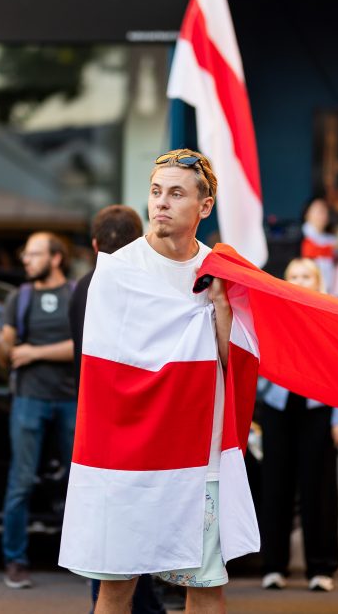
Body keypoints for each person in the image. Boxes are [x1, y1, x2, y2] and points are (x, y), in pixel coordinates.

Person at [68, 149, 235, 614]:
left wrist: (221, 305)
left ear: (204, 206)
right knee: (117, 590)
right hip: (130, 460)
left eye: (176, 193)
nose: (160, 202)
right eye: (156, 192)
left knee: (205, 589)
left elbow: (234, 365)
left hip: (200, 455)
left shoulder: (222, 272)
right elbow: (105, 378)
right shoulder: (118, 272)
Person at [68, 205, 165, 614]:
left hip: (95, 417)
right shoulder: (143, 285)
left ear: (94, 244)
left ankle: (135, 605)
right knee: (131, 527)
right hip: (137, 419)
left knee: (108, 529)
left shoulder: (84, 288)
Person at [0, 232, 76, 589]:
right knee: (20, 482)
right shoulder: (20, 297)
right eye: (26, 254)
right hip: (28, 399)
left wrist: (34, 352)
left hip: (70, 399)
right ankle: (15, 560)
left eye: (34, 254)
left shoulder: (75, 295)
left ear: (56, 258)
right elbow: (6, 358)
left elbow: (83, 345)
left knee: (79, 482)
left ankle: (83, 557)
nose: (26, 261)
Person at [260, 258, 338, 593]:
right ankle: (274, 566)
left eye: (306, 276)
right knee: (275, 489)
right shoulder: (272, 316)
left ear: (318, 281)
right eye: (293, 275)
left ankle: (321, 567)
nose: (299, 281)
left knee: (319, 490)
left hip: (318, 411)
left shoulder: (330, 317)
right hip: (278, 409)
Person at [300, 197, 337, 289]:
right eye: (319, 211)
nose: (323, 215)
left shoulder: (332, 238)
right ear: (307, 214)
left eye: (325, 211)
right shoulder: (299, 236)